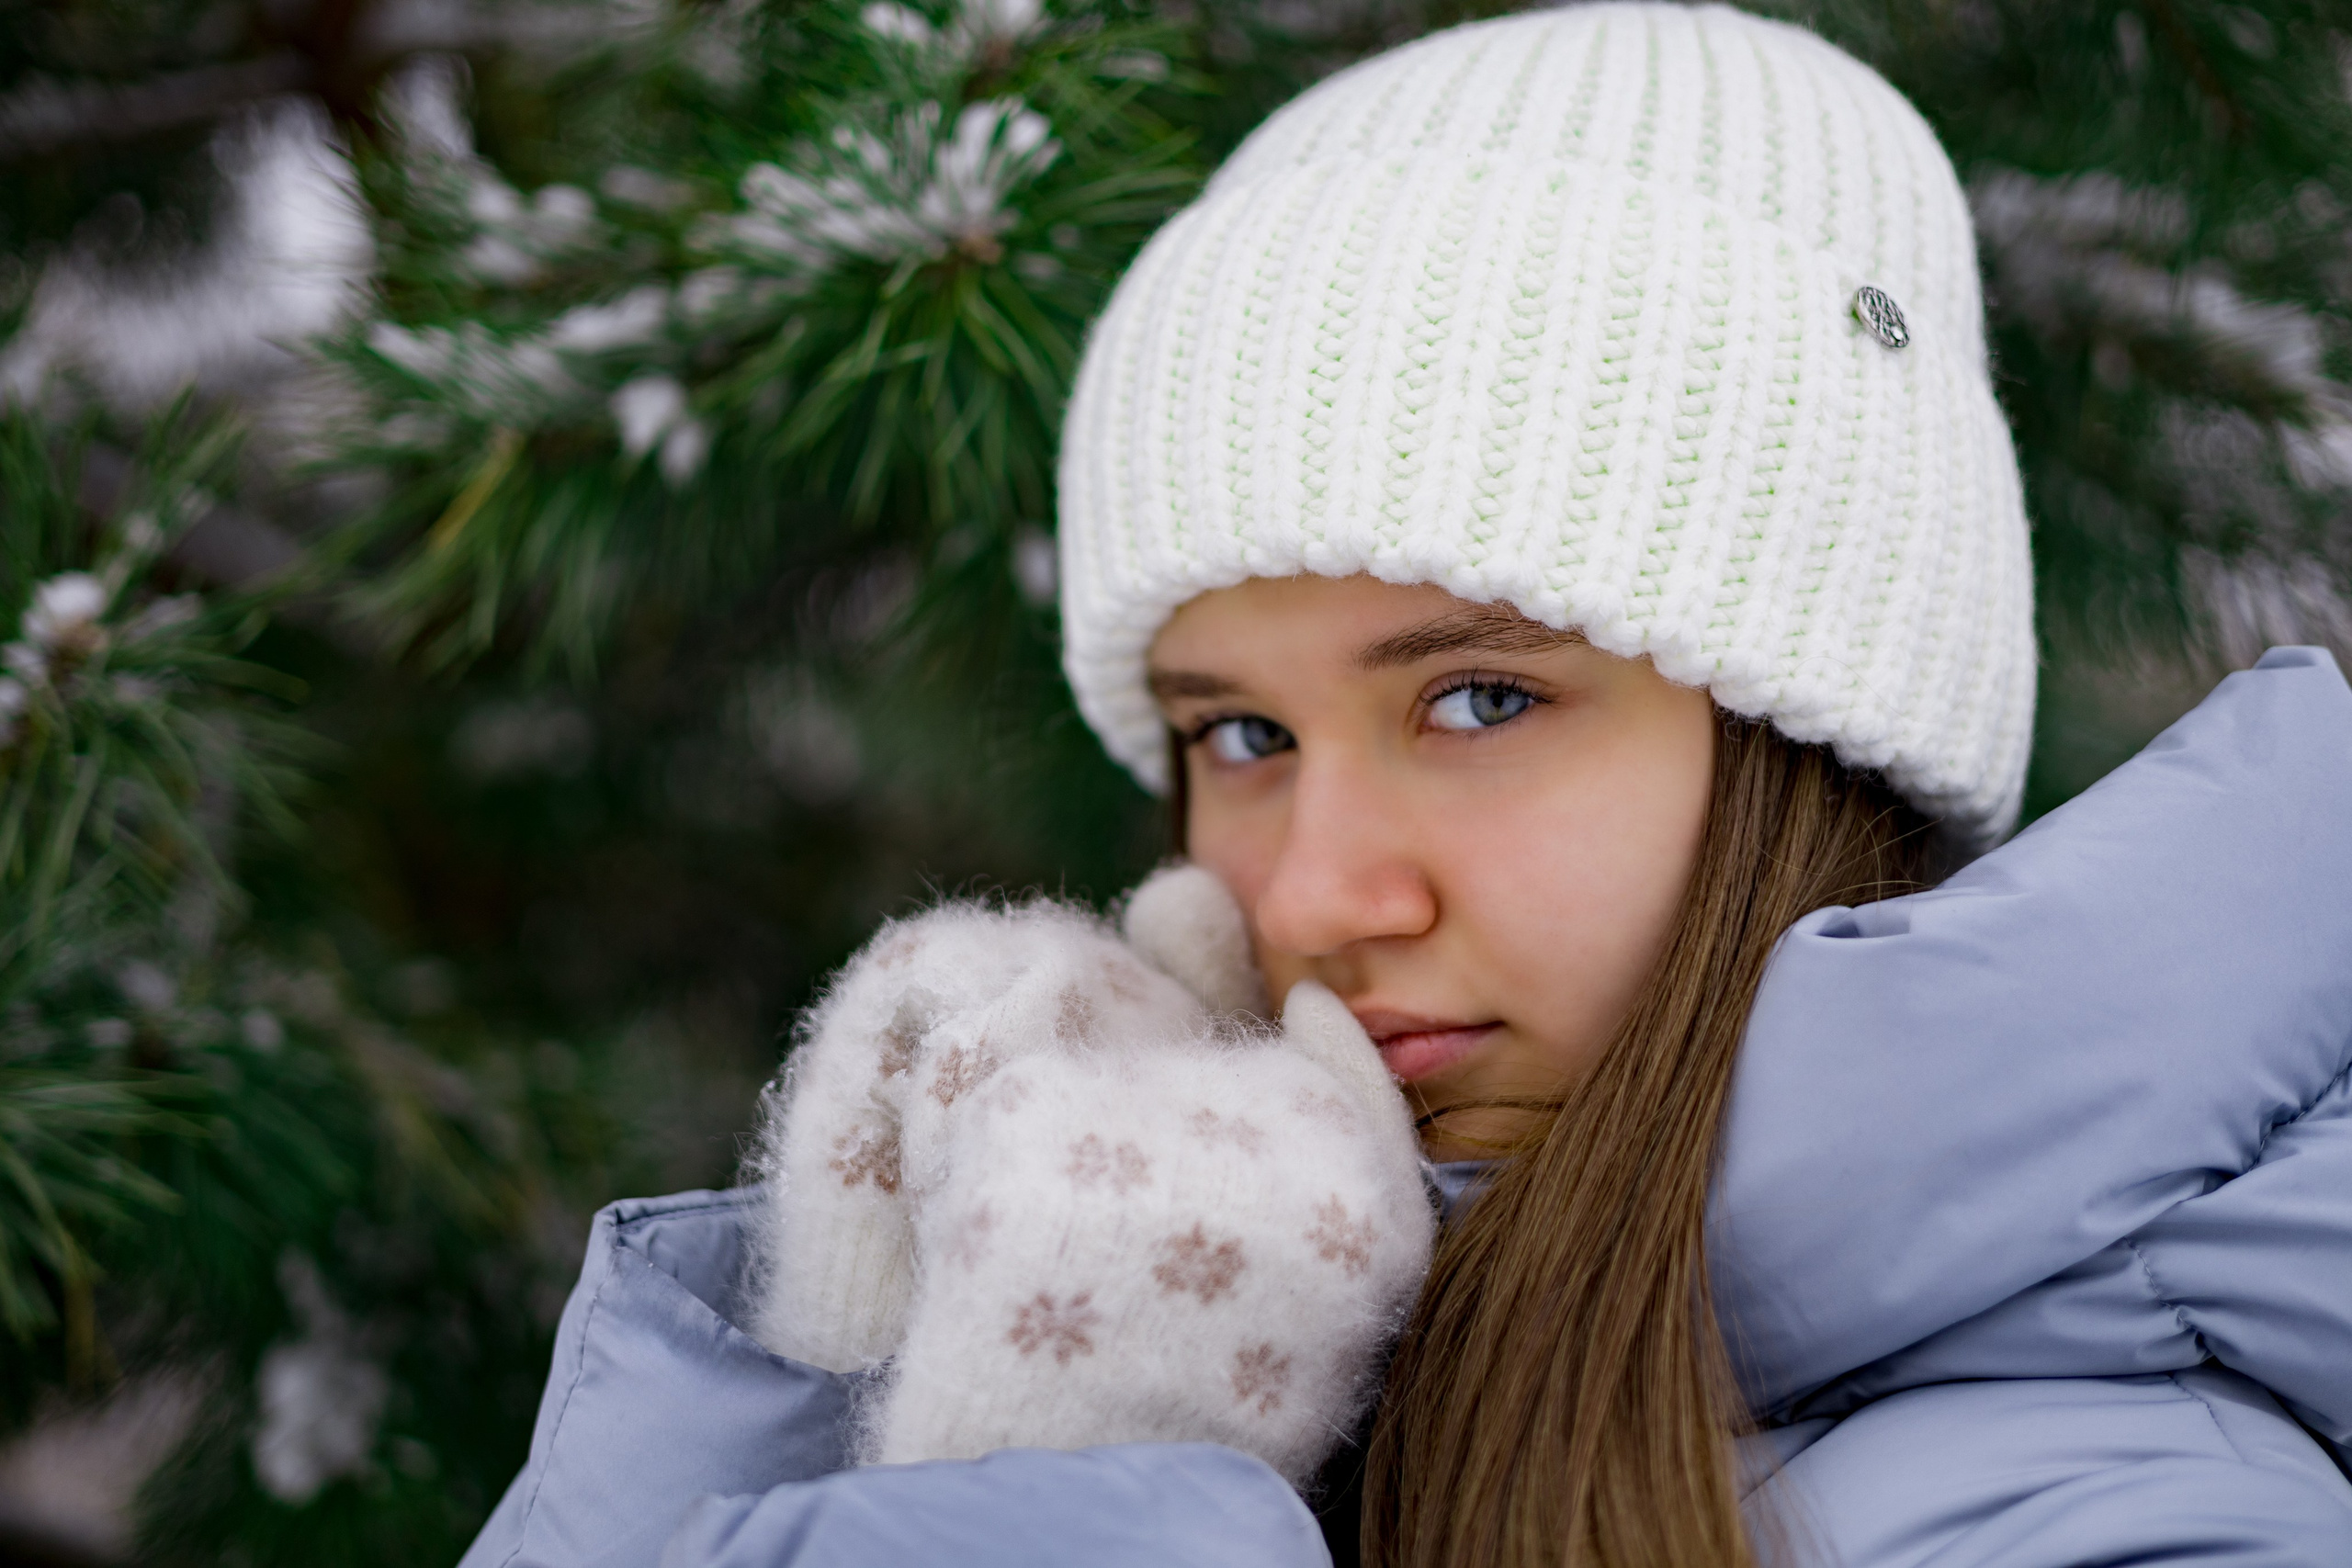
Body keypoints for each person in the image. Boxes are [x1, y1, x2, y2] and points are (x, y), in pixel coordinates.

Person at [457, 6, 2352, 1566]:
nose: (1318, 896)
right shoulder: (1285, 1335)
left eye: (1473, 700)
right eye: (1240, 737)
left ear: (1815, 739)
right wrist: (852, 1374)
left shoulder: (2124, 1504)